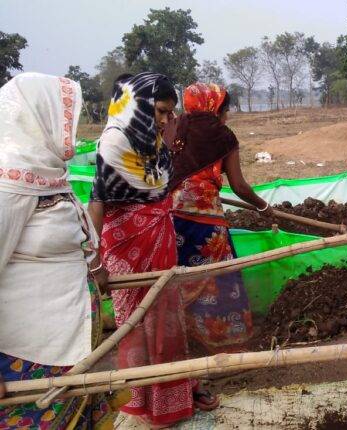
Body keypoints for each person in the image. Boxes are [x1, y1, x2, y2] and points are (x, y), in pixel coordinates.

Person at [88, 72, 217, 429]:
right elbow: (97, 202)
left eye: (168, 112)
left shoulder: (154, 140)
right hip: (128, 247)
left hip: (159, 238)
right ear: (139, 105)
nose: (163, 119)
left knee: (166, 320)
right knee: (137, 325)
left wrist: (168, 132)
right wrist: (94, 260)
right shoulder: (113, 142)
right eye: (159, 111)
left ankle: (174, 395)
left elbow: (160, 187)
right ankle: (142, 400)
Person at [0, 73, 125, 428]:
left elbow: (76, 233)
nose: (69, 125)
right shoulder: (8, 185)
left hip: (65, 345)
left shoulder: (47, 172)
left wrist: (92, 266)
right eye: (66, 113)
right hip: (28, 353)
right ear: (39, 115)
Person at [165, 82, 268, 353]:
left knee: (178, 278)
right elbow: (239, 186)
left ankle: (182, 343)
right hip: (207, 224)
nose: (227, 114)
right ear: (215, 107)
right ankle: (223, 343)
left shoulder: (175, 128)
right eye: (225, 108)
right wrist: (263, 206)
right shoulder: (223, 135)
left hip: (170, 220)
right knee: (221, 279)